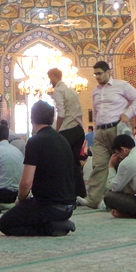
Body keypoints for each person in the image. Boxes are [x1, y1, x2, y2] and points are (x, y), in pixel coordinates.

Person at [0, 101, 76, 237]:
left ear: (31, 119)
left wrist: (21, 199)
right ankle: (56, 223)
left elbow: (26, 182)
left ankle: (53, 227)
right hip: (69, 207)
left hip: (49, 207)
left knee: (5, 223)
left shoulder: (35, 141)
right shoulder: (63, 141)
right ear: (52, 119)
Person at [80, 60, 136, 209]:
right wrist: (95, 131)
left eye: (100, 73)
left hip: (117, 129)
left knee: (123, 163)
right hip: (101, 132)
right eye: (95, 74)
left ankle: (125, 198)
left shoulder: (121, 85)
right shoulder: (95, 91)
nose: (97, 77)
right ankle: (93, 200)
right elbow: (95, 113)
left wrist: (127, 114)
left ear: (108, 72)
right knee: (99, 165)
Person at [49, 67, 86, 198]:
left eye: (50, 78)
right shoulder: (72, 91)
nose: (50, 81)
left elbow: (61, 113)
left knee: (62, 163)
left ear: (54, 76)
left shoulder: (58, 90)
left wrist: (57, 132)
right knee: (75, 164)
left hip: (67, 131)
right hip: (79, 130)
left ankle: (66, 193)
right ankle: (80, 193)